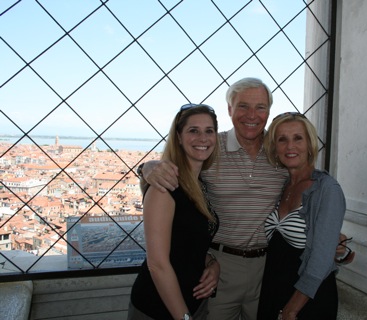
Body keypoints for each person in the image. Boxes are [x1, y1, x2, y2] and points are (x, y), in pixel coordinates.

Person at [140, 78, 351, 320]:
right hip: (219, 267)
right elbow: (174, 174)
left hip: (268, 268)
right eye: (243, 106)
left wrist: (334, 243)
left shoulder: (279, 150)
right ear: (229, 109)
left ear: (268, 111)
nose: (252, 115)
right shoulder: (209, 146)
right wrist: (147, 167)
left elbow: (312, 192)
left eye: (260, 107)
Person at [128, 104, 221, 320]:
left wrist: (211, 263)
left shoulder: (199, 185)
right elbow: (157, 265)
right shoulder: (165, 188)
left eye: (209, 131)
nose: (203, 138)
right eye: (193, 130)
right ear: (178, 137)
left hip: (191, 303)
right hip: (160, 308)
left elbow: (185, 243)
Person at [257, 112, 347, 320]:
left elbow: (321, 259)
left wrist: (291, 309)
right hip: (273, 290)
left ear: (309, 143)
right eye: (282, 139)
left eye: (298, 138)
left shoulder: (327, 189)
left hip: (307, 300)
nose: (290, 146)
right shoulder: (282, 186)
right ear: (274, 147)